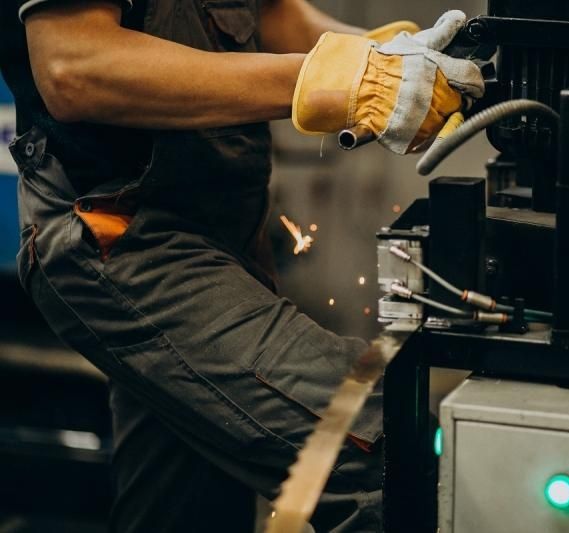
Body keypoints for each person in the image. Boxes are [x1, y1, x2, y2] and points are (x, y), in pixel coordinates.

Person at [0, 0, 483, 531]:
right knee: (389, 449)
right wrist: (346, 77)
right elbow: (74, 66)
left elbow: (271, 17)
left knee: (186, 515)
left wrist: (384, 54)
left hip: (225, 228)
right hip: (125, 237)